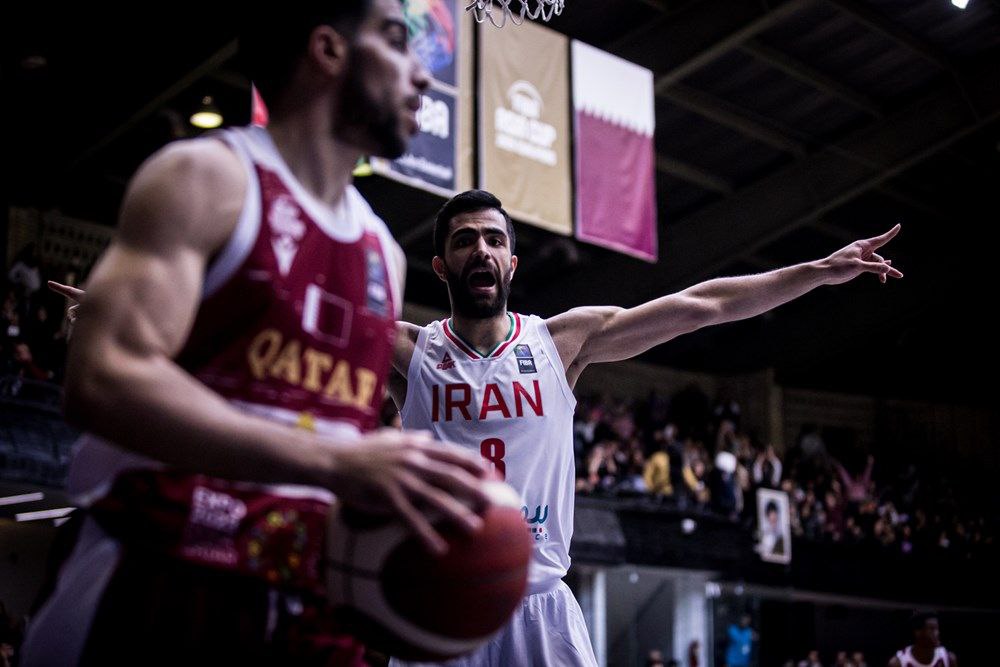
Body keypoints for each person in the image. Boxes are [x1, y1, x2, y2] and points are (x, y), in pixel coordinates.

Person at [23, 4, 490, 664]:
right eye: (395, 42)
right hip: (166, 572)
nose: (421, 75)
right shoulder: (206, 178)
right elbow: (101, 379)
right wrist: (334, 461)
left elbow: (329, 436)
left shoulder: (381, 251)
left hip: (311, 598)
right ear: (328, 50)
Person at [389, 189, 901, 665]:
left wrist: (819, 270)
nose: (482, 250)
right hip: (443, 597)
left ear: (512, 263)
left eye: (494, 239)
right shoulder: (411, 352)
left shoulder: (559, 342)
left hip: (537, 602)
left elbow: (704, 306)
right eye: (465, 240)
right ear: (440, 266)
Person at [889, 612, 958, 667]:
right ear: (918, 633)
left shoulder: (948, 659)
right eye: (932, 629)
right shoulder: (898, 663)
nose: (937, 633)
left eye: (937, 629)